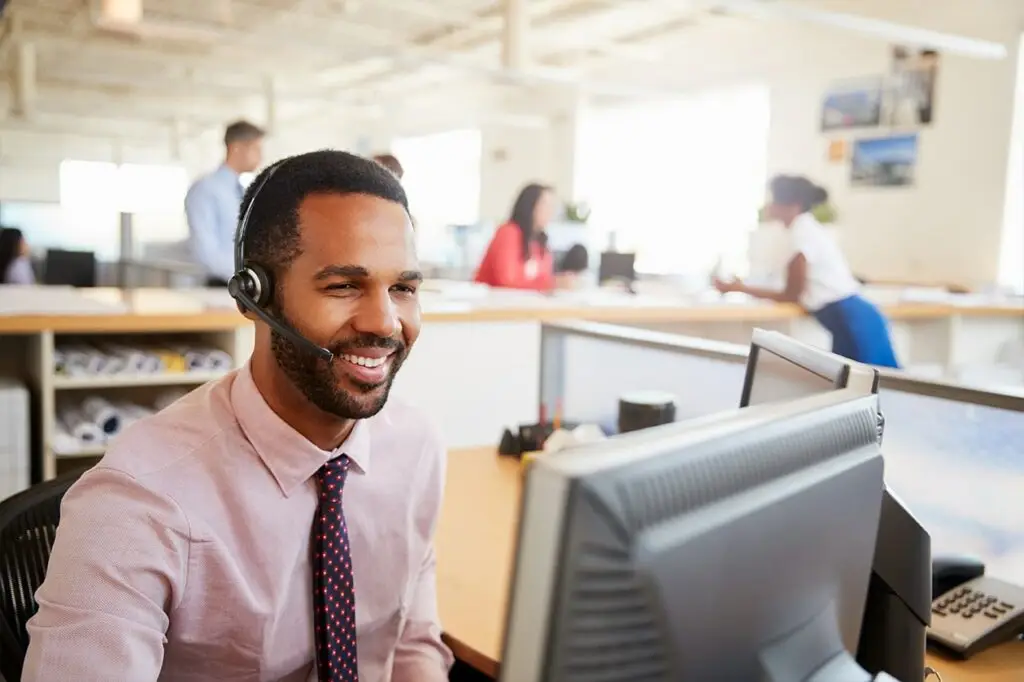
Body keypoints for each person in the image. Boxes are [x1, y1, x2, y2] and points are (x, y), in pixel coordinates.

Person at [24, 150, 454, 681]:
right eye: (343, 286)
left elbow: (410, 644)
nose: (386, 323)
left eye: (403, 288)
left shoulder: (414, 447)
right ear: (254, 296)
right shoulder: (137, 501)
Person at [713, 175, 900, 368]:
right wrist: (743, 285)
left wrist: (739, 289)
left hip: (855, 321)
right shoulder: (802, 231)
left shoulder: (803, 235)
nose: (770, 206)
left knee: (878, 388)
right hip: (847, 320)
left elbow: (791, 294)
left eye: (775, 200)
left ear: (793, 205)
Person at [186, 120, 265, 287]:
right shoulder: (206, 189)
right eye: (256, 149)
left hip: (244, 286)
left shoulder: (242, 191)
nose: (260, 157)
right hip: (222, 286)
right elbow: (205, 252)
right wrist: (247, 276)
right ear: (236, 148)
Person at [474, 183, 557, 291]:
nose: (550, 212)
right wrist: (552, 284)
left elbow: (545, 277)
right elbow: (507, 281)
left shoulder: (541, 243)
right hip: (493, 304)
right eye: (545, 205)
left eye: (552, 206)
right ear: (530, 206)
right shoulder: (508, 232)